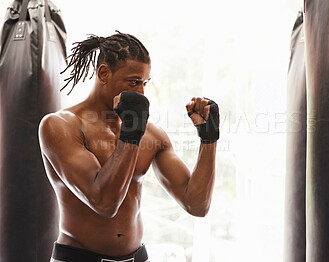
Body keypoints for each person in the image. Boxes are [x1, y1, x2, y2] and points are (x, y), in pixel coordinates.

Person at [38, 31, 219, 262]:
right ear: (104, 73)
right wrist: (131, 133)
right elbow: (104, 202)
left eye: (144, 83)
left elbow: (197, 205)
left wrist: (208, 138)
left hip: (137, 257)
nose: (141, 92)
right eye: (133, 82)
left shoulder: (151, 134)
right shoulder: (60, 126)